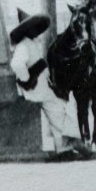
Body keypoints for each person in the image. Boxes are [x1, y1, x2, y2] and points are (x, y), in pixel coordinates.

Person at [9, 9, 77, 159]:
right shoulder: (23, 46)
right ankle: (64, 148)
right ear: (27, 30)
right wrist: (26, 80)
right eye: (33, 28)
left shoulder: (31, 43)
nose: (36, 31)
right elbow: (17, 64)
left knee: (58, 108)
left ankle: (64, 147)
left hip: (41, 87)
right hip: (35, 89)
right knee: (57, 109)